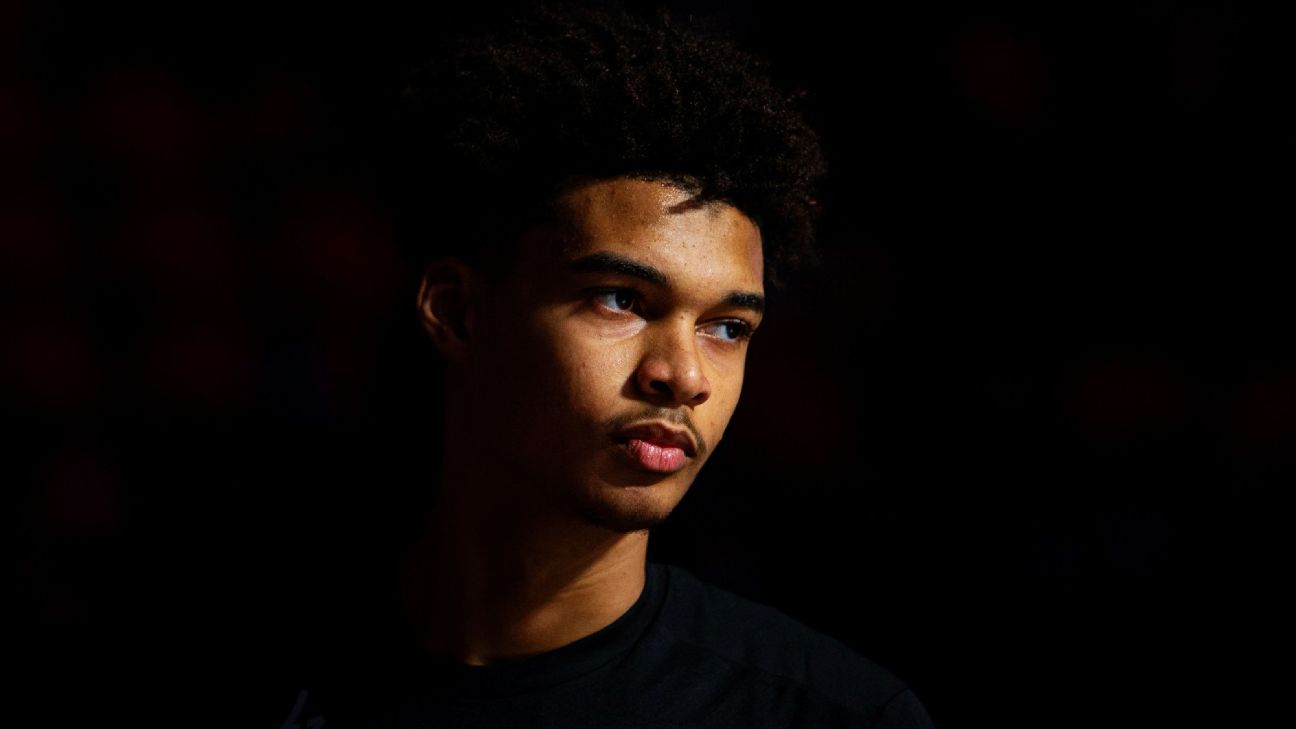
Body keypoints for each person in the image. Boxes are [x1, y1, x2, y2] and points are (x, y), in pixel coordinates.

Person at [267, 2, 935, 727]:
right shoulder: (255, 658)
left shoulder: (830, 716)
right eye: (621, 299)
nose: (683, 375)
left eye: (727, 326)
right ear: (458, 311)